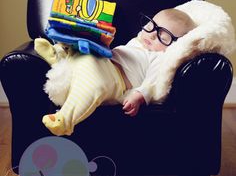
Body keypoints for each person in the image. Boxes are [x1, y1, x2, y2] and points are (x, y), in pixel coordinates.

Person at [35, 8, 196, 136]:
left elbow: (154, 81)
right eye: (151, 26)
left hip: (113, 79)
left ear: (175, 45)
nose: (152, 35)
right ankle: (61, 55)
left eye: (163, 35)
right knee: (82, 52)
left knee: (93, 84)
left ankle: (64, 120)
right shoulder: (137, 41)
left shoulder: (160, 57)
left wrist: (139, 96)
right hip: (103, 61)